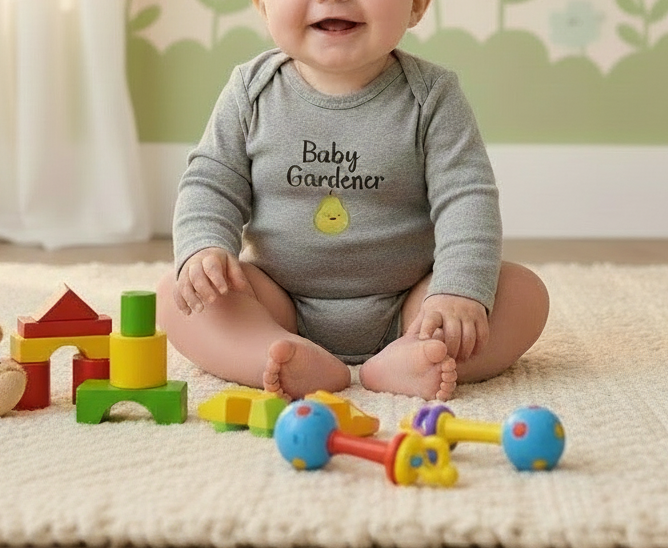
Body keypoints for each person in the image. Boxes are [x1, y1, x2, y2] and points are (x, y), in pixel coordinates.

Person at [156, 0, 550, 402]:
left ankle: (407, 359)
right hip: (277, 302)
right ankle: (274, 352)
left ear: (416, 6)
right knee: (178, 296)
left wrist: (456, 292)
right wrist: (205, 247)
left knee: (523, 295)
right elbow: (211, 182)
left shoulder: (432, 95)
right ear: (262, 4)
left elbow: (466, 197)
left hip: (413, 306)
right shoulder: (250, 91)